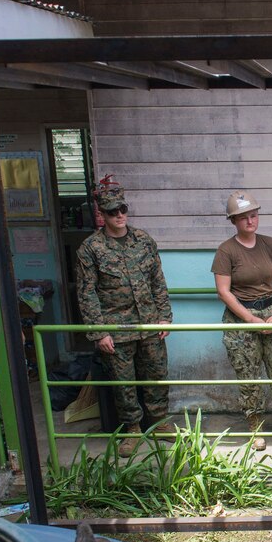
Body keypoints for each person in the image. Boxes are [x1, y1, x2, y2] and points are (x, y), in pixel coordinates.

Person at [77, 177, 174, 457]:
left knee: (157, 376)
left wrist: (164, 317)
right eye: (111, 212)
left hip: (149, 323)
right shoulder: (90, 249)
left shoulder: (144, 241)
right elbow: (87, 293)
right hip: (116, 327)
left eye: (122, 209)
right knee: (124, 383)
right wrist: (99, 331)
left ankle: (159, 423)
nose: (119, 215)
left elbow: (158, 280)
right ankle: (132, 429)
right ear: (101, 214)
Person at [211, 190, 272, 451]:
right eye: (243, 217)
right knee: (249, 377)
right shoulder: (226, 250)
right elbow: (223, 291)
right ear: (233, 221)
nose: (250, 221)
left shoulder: (270, 244)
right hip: (241, 319)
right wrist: (250, 320)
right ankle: (255, 428)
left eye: (253, 215)